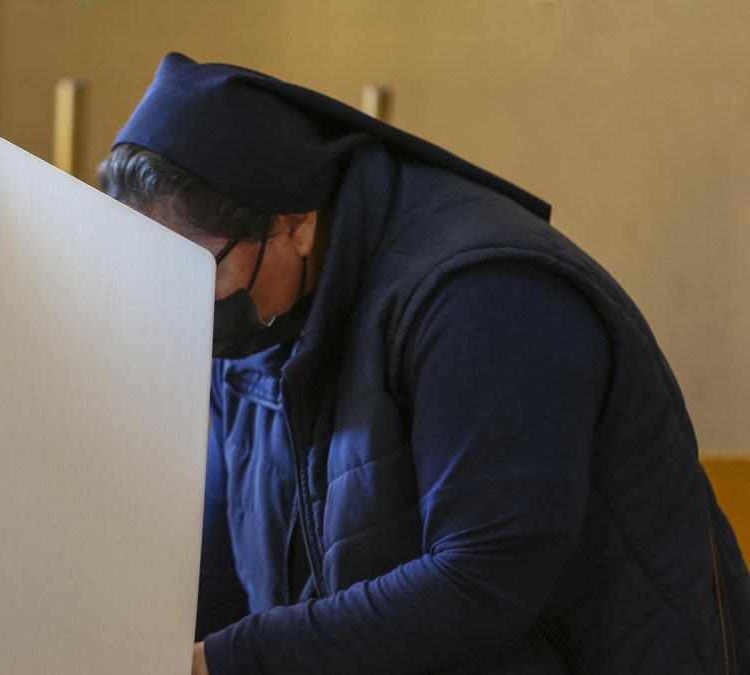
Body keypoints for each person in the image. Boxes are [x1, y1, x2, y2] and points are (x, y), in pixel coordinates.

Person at [97, 52, 750, 674]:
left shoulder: (483, 296)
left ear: (295, 220)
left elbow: (484, 578)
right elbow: (220, 565)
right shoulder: (257, 307)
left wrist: (234, 661)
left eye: (197, 268)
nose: (182, 300)